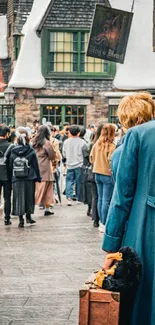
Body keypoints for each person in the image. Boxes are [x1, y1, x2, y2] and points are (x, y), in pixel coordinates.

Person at [102, 92, 155, 325]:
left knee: (144, 293)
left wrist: (111, 245)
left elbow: (122, 197)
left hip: (145, 225)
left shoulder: (138, 136)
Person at [9, 127, 41, 227]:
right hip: (29, 177)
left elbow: (10, 165)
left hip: (17, 178)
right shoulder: (31, 151)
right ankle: (29, 216)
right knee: (29, 197)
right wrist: (38, 177)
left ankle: (20, 219)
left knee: (18, 198)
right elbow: (35, 165)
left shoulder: (13, 151)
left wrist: (11, 177)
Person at [90, 124, 115, 231]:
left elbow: (91, 158)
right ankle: (104, 223)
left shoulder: (97, 144)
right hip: (107, 174)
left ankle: (101, 221)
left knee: (100, 199)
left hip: (97, 173)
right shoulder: (111, 146)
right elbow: (112, 161)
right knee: (106, 200)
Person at [33, 125, 56, 215]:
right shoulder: (47, 143)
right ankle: (46, 208)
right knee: (47, 190)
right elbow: (52, 156)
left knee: (38, 189)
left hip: (36, 167)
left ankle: (45, 208)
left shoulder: (34, 142)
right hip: (45, 168)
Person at [63, 125, 87, 206]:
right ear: (79, 133)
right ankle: (78, 197)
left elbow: (64, 154)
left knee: (69, 181)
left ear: (69, 132)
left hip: (69, 164)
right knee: (79, 182)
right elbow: (85, 154)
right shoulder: (83, 142)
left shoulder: (66, 142)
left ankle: (69, 198)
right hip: (79, 164)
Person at [89, 123, 104, 227]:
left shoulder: (92, 144)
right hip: (104, 172)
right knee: (104, 197)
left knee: (96, 197)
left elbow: (90, 159)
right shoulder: (108, 144)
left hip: (94, 172)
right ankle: (102, 219)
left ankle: (95, 219)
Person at [0, 125, 12, 225]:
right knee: (7, 198)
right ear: (7, 134)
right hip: (7, 175)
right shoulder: (10, 146)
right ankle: (7, 218)